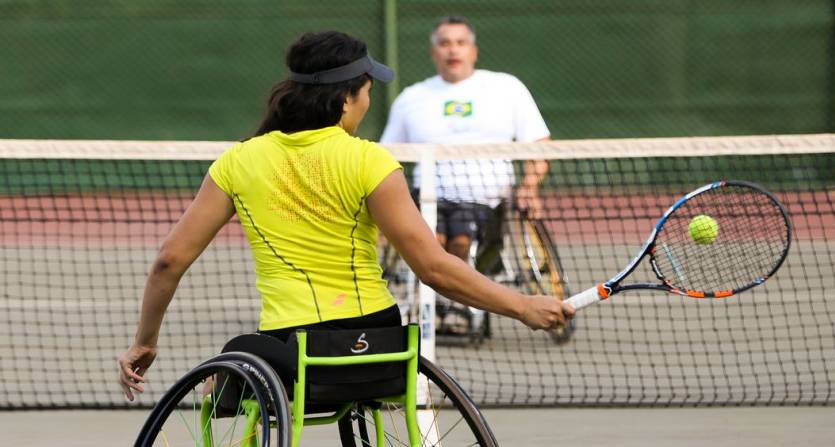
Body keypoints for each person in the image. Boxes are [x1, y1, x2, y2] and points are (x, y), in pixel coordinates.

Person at [117, 30, 573, 401]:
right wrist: (523, 306)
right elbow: (433, 268)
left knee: (230, 371)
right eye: (368, 91)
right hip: (378, 350)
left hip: (290, 357)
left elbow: (169, 261)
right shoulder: (370, 162)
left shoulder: (238, 162)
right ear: (347, 99)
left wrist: (146, 341)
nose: (368, 101)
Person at [380, 15, 551, 263]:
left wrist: (530, 186)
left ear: (474, 51)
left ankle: (456, 296)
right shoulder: (410, 98)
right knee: (431, 242)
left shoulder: (507, 87)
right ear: (433, 52)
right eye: (444, 43)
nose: (452, 50)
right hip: (426, 200)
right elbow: (386, 156)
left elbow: (539, 145)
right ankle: (438, 297)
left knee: (460, 242)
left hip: (488, 202)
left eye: (460, 42)